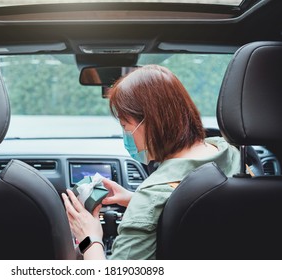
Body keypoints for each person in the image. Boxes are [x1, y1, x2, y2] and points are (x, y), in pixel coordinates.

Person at [61, 64, 240, 260]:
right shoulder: (232, 153)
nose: (125, 135)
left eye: (124, 125)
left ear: (151, 123)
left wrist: (89, 238)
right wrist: (135, 200)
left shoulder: (151, 196)